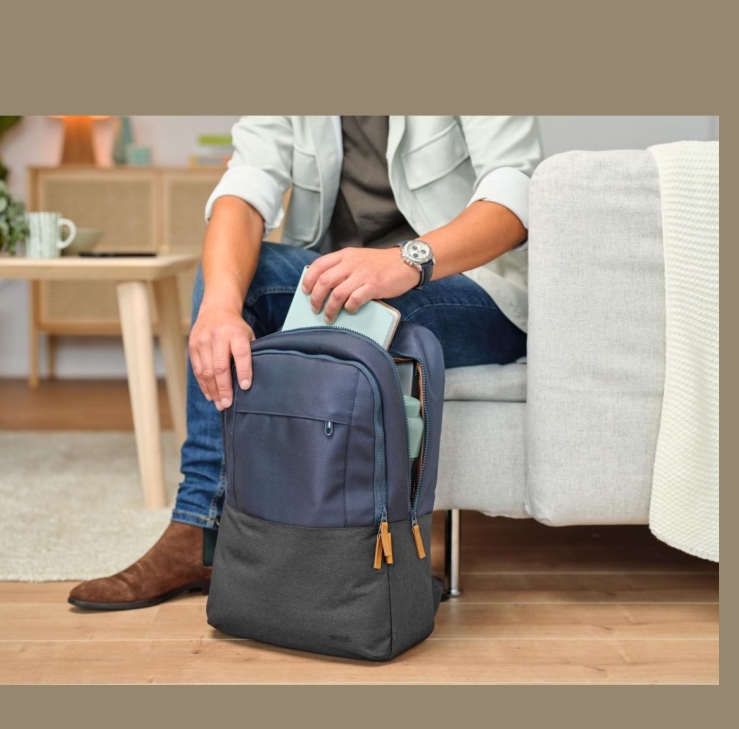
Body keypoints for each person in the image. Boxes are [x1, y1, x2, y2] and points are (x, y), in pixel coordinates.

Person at [69, 116, 543, 610]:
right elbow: (246, 185)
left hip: (473, 288)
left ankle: (341, 546)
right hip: (345, 283)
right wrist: (219, 307)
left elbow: (513, 193)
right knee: (229, 278)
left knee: (370, 307)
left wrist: (405, 261)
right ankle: (199, 530)